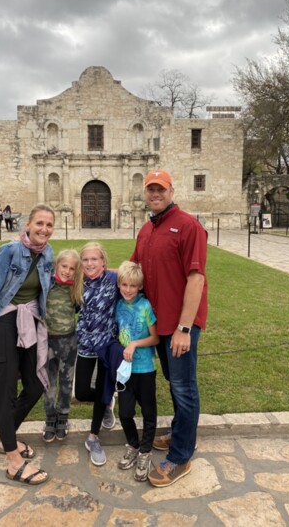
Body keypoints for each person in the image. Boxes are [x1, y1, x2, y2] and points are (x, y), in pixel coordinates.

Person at [131, 169, 208, 488]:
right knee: (175, 383)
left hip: (180, 325)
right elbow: (132, 270)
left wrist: (184, 329)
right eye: (150, 189)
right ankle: (181, 432)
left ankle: (180, 457)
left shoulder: (188, 226)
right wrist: (92, 271)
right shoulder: (147, 230)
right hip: (159, 324)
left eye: (160, 189)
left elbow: (196, 279)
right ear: (145, 193)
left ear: (171, 191)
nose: (155, 194)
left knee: (183, 387)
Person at [0, 204, 55, 485]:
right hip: (4, 323)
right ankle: (12, 460)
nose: (44, 229)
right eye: (40, 223)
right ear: (28, 225)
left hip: (30, 322)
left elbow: (50, 287)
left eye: (49, 225)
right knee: (6, 390)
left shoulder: (48, 253)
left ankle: (6, 436)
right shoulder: (9, 251)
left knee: (35, 385)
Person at [74, 242, 119, 466]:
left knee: (102, 386)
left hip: (107, 343)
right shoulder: (78, 283)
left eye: (94, 259)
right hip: (85, 343)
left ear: (103, 261)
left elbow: (136, 279)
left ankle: (93, 437)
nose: (90, 263)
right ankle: (107, 401)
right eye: (86, 260)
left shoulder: (114, 279)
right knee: (82, 392)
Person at [115, 261, 159, 482]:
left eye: (133, 285)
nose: (128, 289)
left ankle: (145, 451)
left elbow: (155, 337)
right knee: (124, 413)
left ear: (140, 287)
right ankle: (133, 444)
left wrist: (134, 345)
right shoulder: (118, 305)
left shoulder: (145, 306)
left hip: (145, 368)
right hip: (125, 370)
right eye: (124, 284)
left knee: (148, 412)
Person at [43, 249, 83, 443]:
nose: (67, 271)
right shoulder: (46, 285)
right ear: (56, 265)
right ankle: (50, 417)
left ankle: (63, 417)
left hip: (68, 341)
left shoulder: (76, 289)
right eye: (64, 266)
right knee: (49, 382)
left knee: (66, 382)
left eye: (72, 268)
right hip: (47, 341)